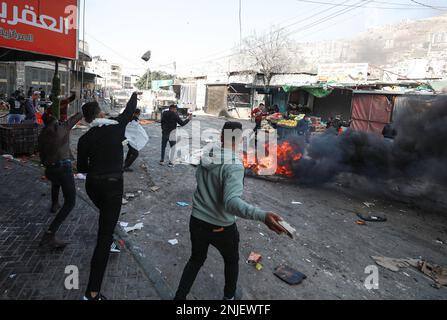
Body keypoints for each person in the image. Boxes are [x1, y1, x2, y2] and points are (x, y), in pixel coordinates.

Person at [174, 122, 287, 300]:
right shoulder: (233, 164)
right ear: (240, 139)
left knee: (195, 260)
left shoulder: (208, 154)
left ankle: (179, 298)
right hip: (221, 227)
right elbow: (231, 202)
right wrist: (262, 216)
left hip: (197, 221)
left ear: (221, 136)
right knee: (231, 261)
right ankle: (229, 298)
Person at [77, 92, 138, 301]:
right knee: (103, 235)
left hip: (93, 186)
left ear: (86, 119)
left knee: (106, 219)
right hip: (112, 186)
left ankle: (110, 237)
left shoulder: (85, 138)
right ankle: (92, 293)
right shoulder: (115, 127)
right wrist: (134, 94)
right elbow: (129, 111)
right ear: (101, 114)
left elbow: (82, 168)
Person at [38, 110, 83, 249]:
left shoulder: (42, 135)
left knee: (56, 183)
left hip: (50, 169)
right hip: (63, 168)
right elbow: (77, 117)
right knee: (70, 202)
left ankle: (55, 204)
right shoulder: (62, 128)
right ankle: (50, 234)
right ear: (55, 121)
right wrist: (82, 110)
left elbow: (42, 155)